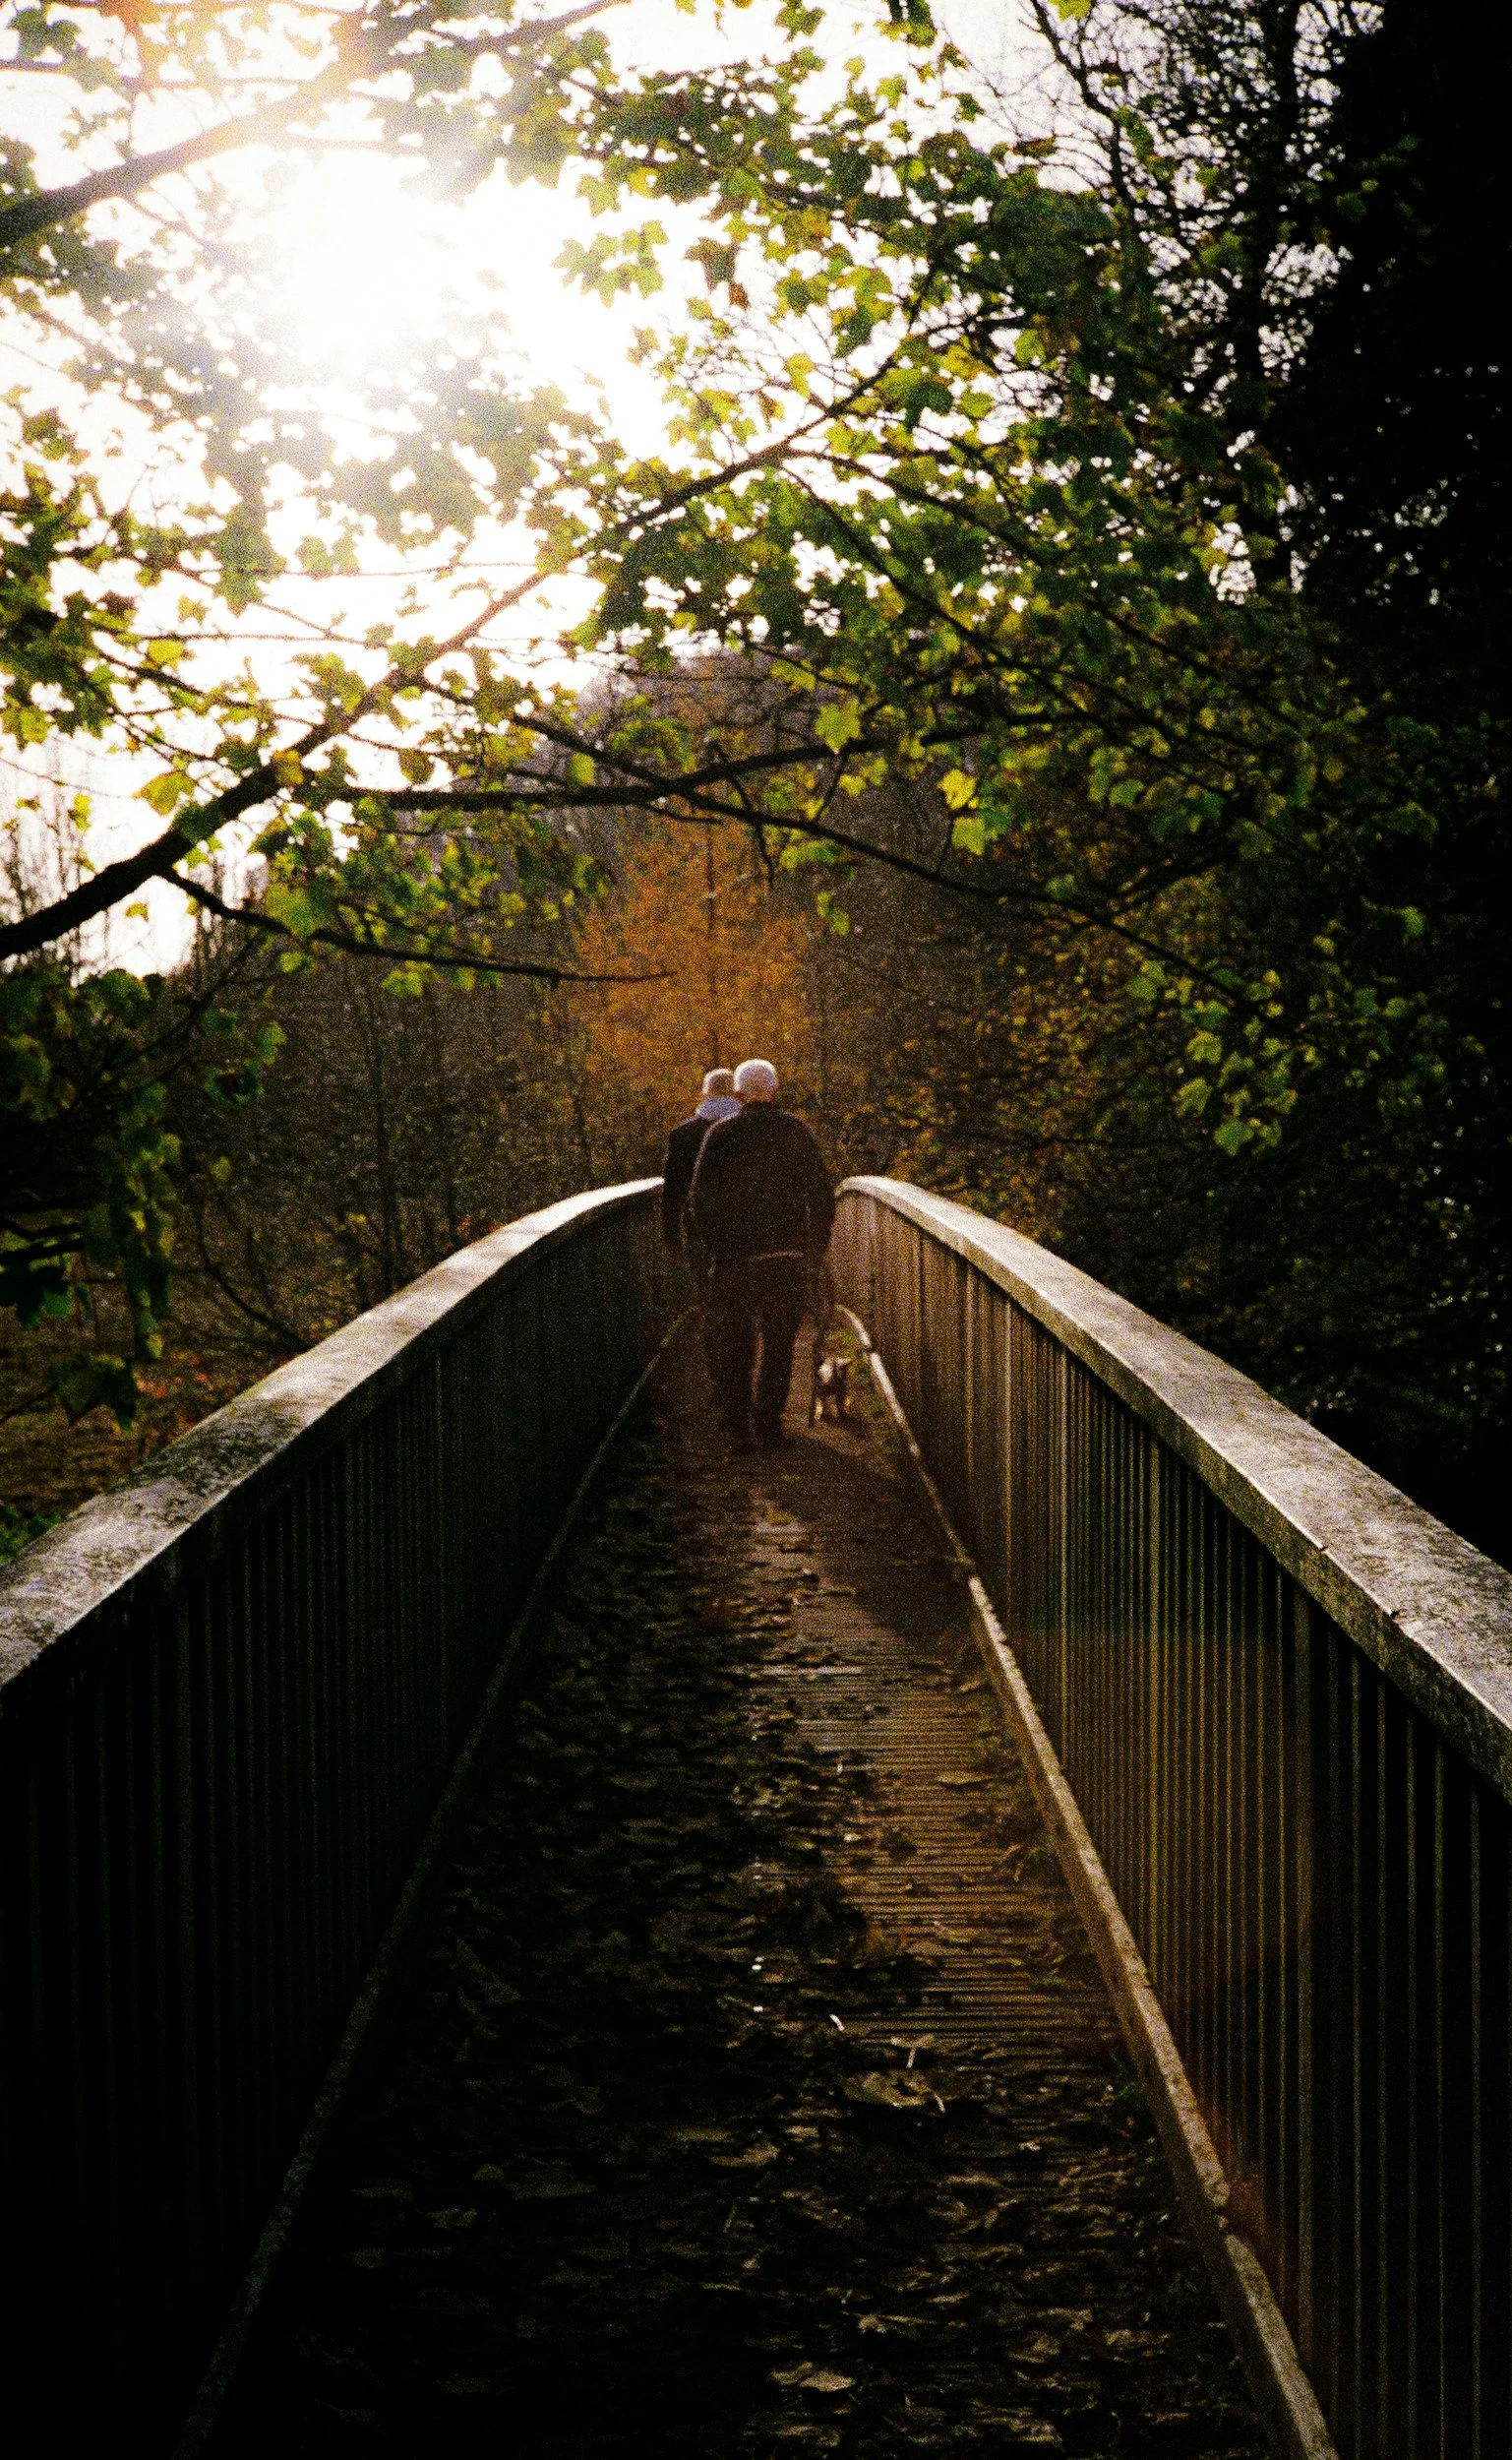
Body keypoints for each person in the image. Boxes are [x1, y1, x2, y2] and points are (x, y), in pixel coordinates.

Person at [690, 1056, 835, 1447]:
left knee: (736, 1344)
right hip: (786, 1259)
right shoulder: (797, 1132)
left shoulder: (720, 1134)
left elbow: (700, 1199)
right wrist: (815, 1248)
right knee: (779, 1345)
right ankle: (769, 1425)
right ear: (773, 1090)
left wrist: (718, 1247)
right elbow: (822, 1195)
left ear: (738, 1093)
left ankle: (739, 1426)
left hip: (736, 1261)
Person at [660, 1068, 740, 1255]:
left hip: (700, 1224)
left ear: (705, 1094)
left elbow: (673, 1187)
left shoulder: (683, 1133)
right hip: (745, 1225)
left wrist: (672, 1237)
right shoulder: (750, 1128)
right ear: (737, 1092)